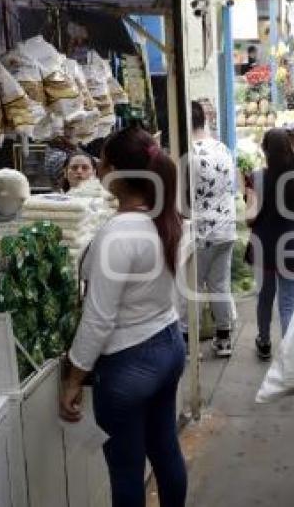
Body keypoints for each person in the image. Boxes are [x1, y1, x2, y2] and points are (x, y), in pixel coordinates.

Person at [59, 123, 186, 507]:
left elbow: (98, 318)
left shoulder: (118, 233)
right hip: (167, 345)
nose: (97, 169)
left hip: (130, 362)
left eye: (100, 162)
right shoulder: (163, 218)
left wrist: (74, 378)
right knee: (165, 450)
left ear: (113, 171)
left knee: (127, 471)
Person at [245, 129, 294, 361]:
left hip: (265, 246)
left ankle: (264, 341)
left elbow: (249, 218)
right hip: (292, 243)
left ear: (265, 150)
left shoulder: (256, 177)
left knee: (265, 297)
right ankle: (288, 353)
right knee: (288, 301)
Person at [187, 101, 238, 357]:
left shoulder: (190, 153)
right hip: (226, 227)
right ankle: (224, 338)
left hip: (201, 231)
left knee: (192, 286)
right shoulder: (223, 148)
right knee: (220, 284)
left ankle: (191, 343)